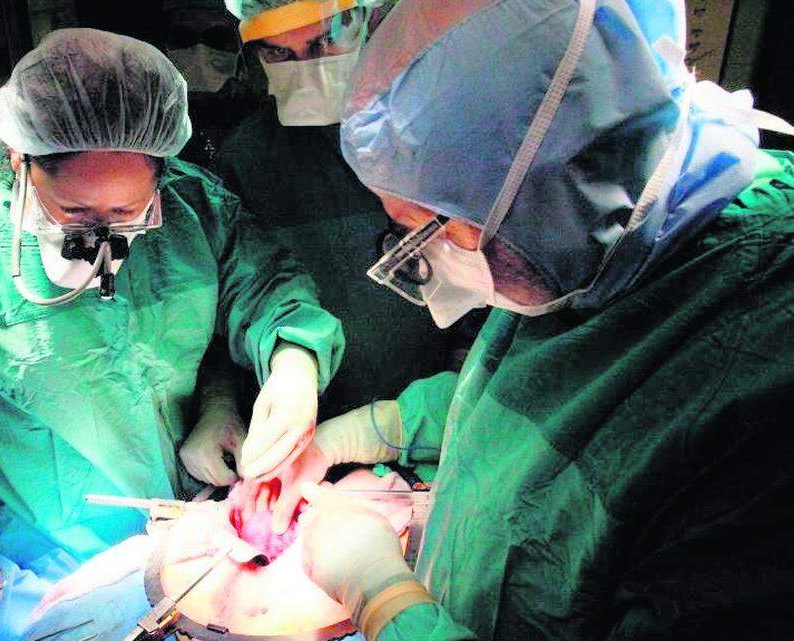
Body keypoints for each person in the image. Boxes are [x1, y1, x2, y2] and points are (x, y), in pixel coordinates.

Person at [251, 0, 794, 639]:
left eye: (429, 232)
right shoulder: (596, 243)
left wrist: (381, 596)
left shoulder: (760, 372)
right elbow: (532, 402)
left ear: (542, 192)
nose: (432, 268)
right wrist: (352, 436)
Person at [0, 28, 345, 641]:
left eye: (128, 214)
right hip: (40, 545)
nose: (103, 237)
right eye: (75, 213)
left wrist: (285, 368)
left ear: (161, 170)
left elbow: (264, 292)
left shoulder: (194, 208)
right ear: (19, 160)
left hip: (189, 517)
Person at [195, 0, 462, 491]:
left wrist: (436, 423)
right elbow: (221, 310)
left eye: (323, 43)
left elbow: (496, 324)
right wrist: (220, 405)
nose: (308, 72)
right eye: (279, 54)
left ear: (378, 20)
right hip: (289, 463)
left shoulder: (441, 138)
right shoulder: (247, 161)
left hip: (436, 451)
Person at [162, 0, 264, 169]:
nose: (199, 54)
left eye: (217, 39)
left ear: (242, 47)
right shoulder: (151, 126)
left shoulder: (261, 126)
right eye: (184, 39)